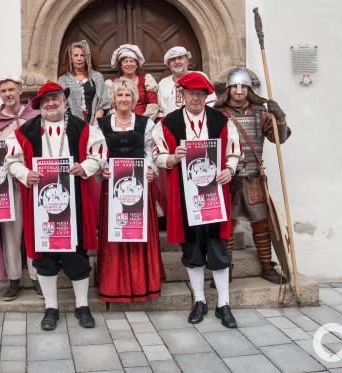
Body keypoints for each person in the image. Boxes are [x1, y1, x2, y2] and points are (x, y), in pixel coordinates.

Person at [5, 82, 106, 331]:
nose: (51, 103)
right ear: (39, 105)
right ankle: (51, 307)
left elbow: (99, 153)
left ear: (64, 100)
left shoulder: (84, 128)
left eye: (56, 98)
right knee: (44, 256)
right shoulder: (23, 132)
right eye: (46, 100)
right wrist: (24, 173)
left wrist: (85, 167)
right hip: (40, 204)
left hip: (75, 202)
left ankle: (82, 306)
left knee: (76, 253)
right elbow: (10, 160)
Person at [152, 72, 241, 328]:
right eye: (190, 94)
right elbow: (157, 155)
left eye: (200, 94)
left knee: (218, 247)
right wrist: (172, 158)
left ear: (206, 96)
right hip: (183, 194)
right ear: (182, 95)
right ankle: (199, 301)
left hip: (214, 194)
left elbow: (233, 151)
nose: (195, 98)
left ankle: (224, 304)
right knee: (192, 248)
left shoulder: (221, 120)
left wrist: (230, 169)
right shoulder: (168, 123)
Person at [214, 67, 291, 284]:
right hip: (227, 177)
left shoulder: (261, 113)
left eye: (243, 86)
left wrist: (280, 118)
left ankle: (267, 266)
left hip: (253, 177)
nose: (239, 90)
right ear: (228, 89)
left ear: (249, 89)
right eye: (235, 86)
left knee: (261, 223)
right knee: (226, 225)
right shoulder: (217, 114)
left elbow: (280, 138)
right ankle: (225, 268)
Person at [0, 75, 42, 301]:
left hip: (33, 182)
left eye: (12, 89)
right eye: (3, 91)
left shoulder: (36, 116)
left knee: (35, 231)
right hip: (7, 186)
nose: (8, 94)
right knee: (11, 234)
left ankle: (37, 278)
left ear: (20, 90)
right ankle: (13, 281)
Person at [96, 79, 165, 302]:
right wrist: (104, 170)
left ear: (134, 98)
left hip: (139, 187)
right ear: (113, 99)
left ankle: (143, 283)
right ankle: (115, 285)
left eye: (127, 95)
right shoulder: (102, 125)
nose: (124, 99)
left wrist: (150, 170)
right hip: (113, 188)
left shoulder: (146, 124)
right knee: (116, 233)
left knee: (139, 232)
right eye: (119, 95)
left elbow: (151, 152)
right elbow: (98, 153)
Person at [58, 40, 110, 125]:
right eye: (76, 55)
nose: (79, 59)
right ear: (70, 58)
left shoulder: (97, 77)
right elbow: (61, 105)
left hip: (94, 122)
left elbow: (103, 102)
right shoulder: (63, 80)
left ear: (87, 58)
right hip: (70, 124)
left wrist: (95, 124)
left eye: (82, 55)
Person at [157, 46, 216, 119]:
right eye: (173, 59)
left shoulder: (199, 76)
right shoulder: (163, 83)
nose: (177, 62)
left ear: (187, 61)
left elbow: (211, 103)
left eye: (180, 58)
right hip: (170, 126)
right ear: (168, 64)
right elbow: (160, 111)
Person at [107, 44, 159, 120]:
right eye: (125, 61)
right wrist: (122, 122)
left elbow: (153, 104)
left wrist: (142, 123)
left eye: (132, 61)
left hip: (143, 123)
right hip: (120, 124)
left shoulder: (146, 81)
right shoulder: (113, 83)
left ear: (136, 64)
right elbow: (112, 107)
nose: (129, 64)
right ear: (121, 66)